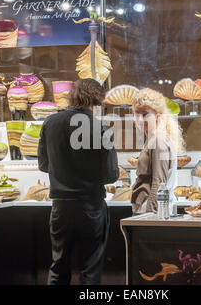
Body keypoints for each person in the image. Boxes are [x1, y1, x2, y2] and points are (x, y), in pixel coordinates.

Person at [38, 78, 119, 285]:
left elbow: (43, 165)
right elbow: (111, 175)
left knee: (58, 267)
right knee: (90, 269)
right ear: (97, 101)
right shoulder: (101, 129)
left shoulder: (50, 123)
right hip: (91, 207)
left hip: (60, 207)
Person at [130, 88, 185, 214]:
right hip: (148, 210)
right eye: (136, 113)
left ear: (157, 116)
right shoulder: (154, 138)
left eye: (145, 114)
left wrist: (150, 217)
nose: (139, 119)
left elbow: (159, 184)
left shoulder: (158, 141)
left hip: (149, 211)